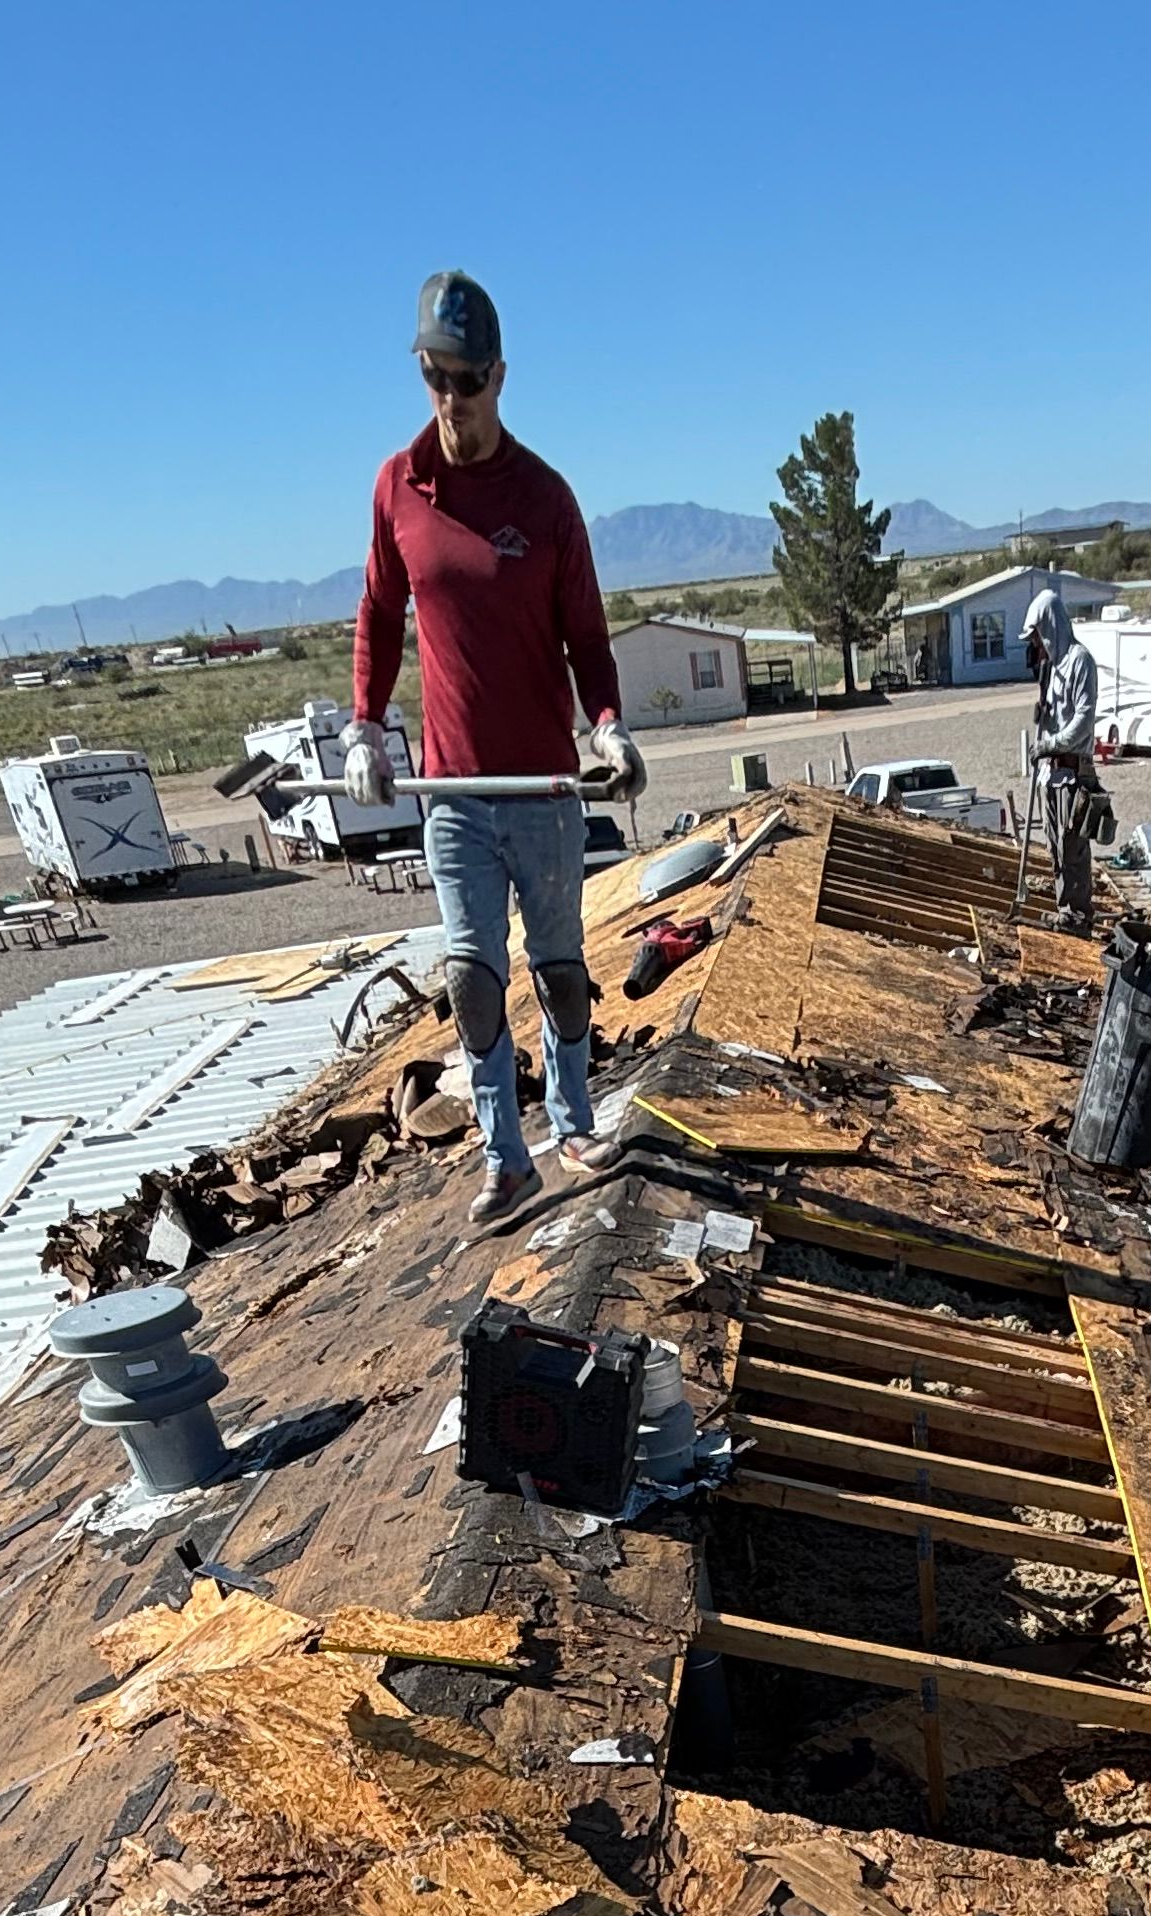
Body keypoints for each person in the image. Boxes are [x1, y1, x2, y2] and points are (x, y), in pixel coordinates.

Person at [343, 272, 645, 1232]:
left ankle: (573, 1125)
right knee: (474, 978)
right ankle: (504, 1158)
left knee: (559, 969)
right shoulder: (399, 486)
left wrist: (606, 722)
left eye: (466, 379)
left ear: (500, 376)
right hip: (454, 792)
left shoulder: (545, 499)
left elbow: (586, 637)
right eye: (434, 375)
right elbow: (380, 616)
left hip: (541, 789)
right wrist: (364, 725)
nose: (450, 398)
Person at [1023, 587, 1102, 932]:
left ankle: (1080, 914)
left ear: (1049, 627)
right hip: (1050, 775)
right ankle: (1065, 909)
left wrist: (1050, 743)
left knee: (1073, 848)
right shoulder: (1051, 669)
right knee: (1055, 847)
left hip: (1073, 771)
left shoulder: (1080, 661)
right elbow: (1055, 714)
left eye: (1038, 636)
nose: (1036, 645)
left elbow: (1083, 718)